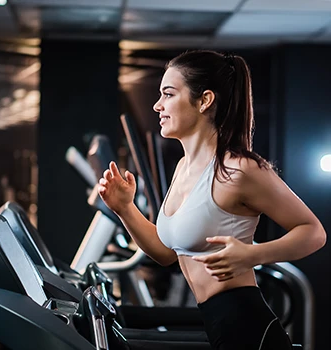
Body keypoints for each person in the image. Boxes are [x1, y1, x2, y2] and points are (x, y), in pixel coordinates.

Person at [97, 50, 327, 350]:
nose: (157, 105)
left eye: (168, 94)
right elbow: (167, 254)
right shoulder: (183, 168)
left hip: (246, 327)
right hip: (213, 321)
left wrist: (252, 255)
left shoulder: (239, 169)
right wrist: (124, 209)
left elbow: (313, 232)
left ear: (204, 100)